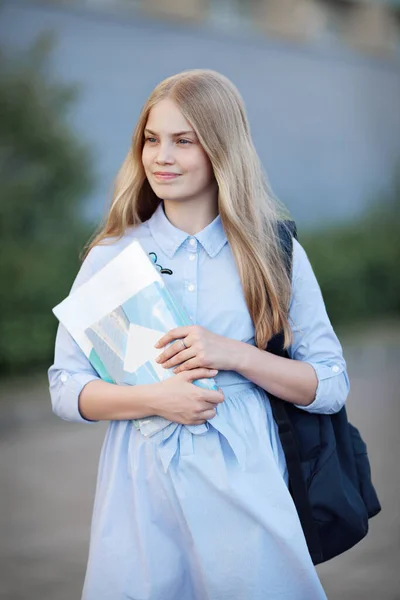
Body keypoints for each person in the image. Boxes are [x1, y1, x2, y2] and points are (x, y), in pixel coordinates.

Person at [48, 69, 349, 600]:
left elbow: (330, 384)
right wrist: (153, 399)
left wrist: (235, 354)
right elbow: (65, 388)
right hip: (141, 485)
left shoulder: (271, 253)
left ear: (221, 149)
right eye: (151, 139)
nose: (161, 156)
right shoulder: (113, 255)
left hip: (248, 481)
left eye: (183, 141)